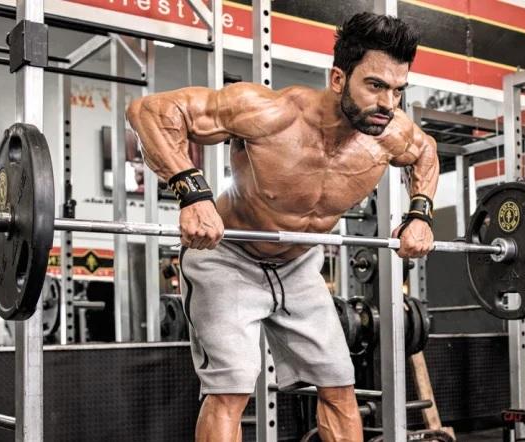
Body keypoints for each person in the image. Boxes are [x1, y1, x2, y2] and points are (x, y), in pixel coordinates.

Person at [127, 12, 438, 442]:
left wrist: (420, 214)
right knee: (231, 387)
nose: (388, 103)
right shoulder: (271, 113)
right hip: (228, 259)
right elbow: (149, 111)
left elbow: (426, 153)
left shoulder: (391, 134)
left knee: (339, 384)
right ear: (338, 79)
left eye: (398, 90)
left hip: (300, 266)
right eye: (375, 86)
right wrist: (192, 193)